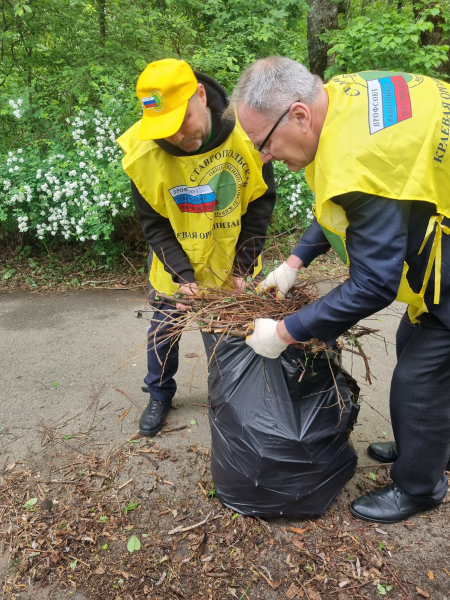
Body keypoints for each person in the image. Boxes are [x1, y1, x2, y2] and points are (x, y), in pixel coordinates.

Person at [226, 56, 450, 524]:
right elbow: (344, 195)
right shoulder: (341, 97)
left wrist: (286, 331)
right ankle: (424, 445)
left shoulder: (360, 155)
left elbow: (373, 284)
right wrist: (294, 261)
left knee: (419, 380)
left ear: (299, 115)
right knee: (416, 347)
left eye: (263, 144)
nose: (264, 157)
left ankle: (420, 486)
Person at [117, 59, 276, 437]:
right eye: (164, 129)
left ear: (200, 96)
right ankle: (159, 394)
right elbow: (153, 223)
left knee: (226, 337)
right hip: (176, 268)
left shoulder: (247, 135)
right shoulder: (143, 155)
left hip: (230, 269)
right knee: (163, 332)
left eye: (181, 122)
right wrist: (182, 276)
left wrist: (241, 268)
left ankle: (229, 395)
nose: (174, 137)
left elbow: (260, 204)